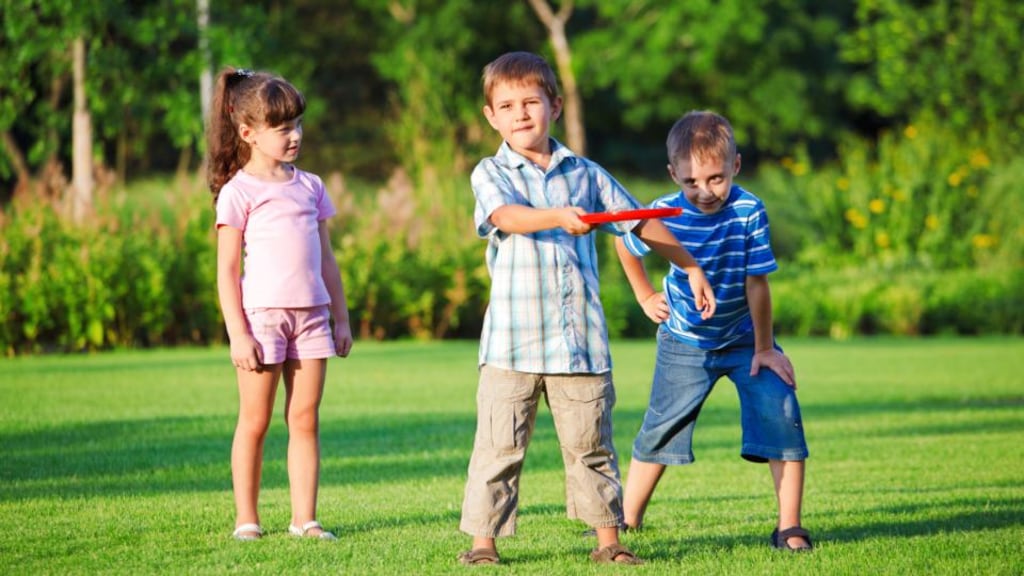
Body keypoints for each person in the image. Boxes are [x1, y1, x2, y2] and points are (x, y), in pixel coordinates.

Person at [457, 52, 717, 567]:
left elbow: (637, 222)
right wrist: (557, 216)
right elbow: (505, 217)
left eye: (531, 101)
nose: (520, 114)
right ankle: (483, 546)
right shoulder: (491, 172)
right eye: (506, 106)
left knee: (592, 448)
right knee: (497, 451)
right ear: (491, 116)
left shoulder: (587, 173)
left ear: (554, 104)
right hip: (513, 347)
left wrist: (689, 266)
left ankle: (608, 542)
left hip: (580, 346)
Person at [614, 110, 812, 551]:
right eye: (691, 182)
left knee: (781, 412)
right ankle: (627, 520)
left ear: (735, 166)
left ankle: (790, 528)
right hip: (685, 342)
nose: (704, 192)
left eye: (716, 178)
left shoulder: (747, 211)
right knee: (660, 428)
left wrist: (765, 349)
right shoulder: (663, 213)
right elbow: (624, 240)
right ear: (673, 174)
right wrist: (645, 295)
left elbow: (757, 283)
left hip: (746, 339)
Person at [207, 67, 353, 541]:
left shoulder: (310, 186)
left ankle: (304, 520)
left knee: (305, 418)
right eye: (283, 127)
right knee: (255, 420)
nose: (295, 136)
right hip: (262, 320)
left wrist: (342, 318)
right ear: (248, 132)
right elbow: (227, 271)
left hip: (312, 318)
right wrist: (238, 333)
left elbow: (327, 260)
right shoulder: (238, 193)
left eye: (298, 124)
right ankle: (247, 519)